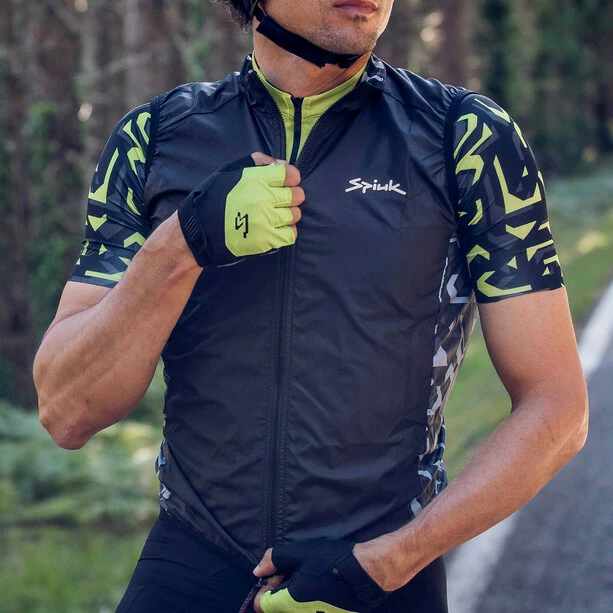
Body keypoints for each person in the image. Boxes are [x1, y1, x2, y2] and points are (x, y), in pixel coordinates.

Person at [33, 1, 589, 611]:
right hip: (194, 554)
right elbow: (67, 410)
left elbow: (557, 407)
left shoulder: (465, 136)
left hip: (378, 573)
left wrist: (389, 561)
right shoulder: (156, 136)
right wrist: (182, 243)